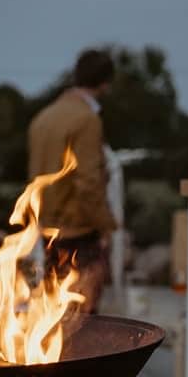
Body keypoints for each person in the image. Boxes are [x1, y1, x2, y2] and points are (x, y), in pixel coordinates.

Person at [28, 49, 117, 314]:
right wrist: (106, 227)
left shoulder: (42, 118)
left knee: (53, 319)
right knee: (83, 324)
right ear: (105, 82)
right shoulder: (86, 120)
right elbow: (88, 182)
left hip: (48, 232)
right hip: (79, 233)